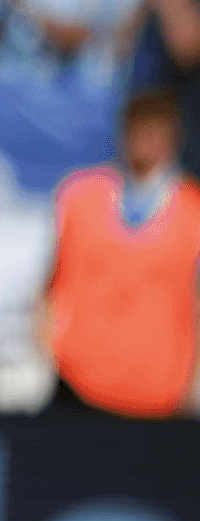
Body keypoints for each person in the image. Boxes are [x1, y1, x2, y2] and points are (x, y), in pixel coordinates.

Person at [40, 90, 200, 418]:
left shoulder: (191, 211)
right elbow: (48, 282)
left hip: (157, 397)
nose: (146, 140)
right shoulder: (80, 196)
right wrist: (48, 343)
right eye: (138, 129)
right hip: (77, 384)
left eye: (156, 131)